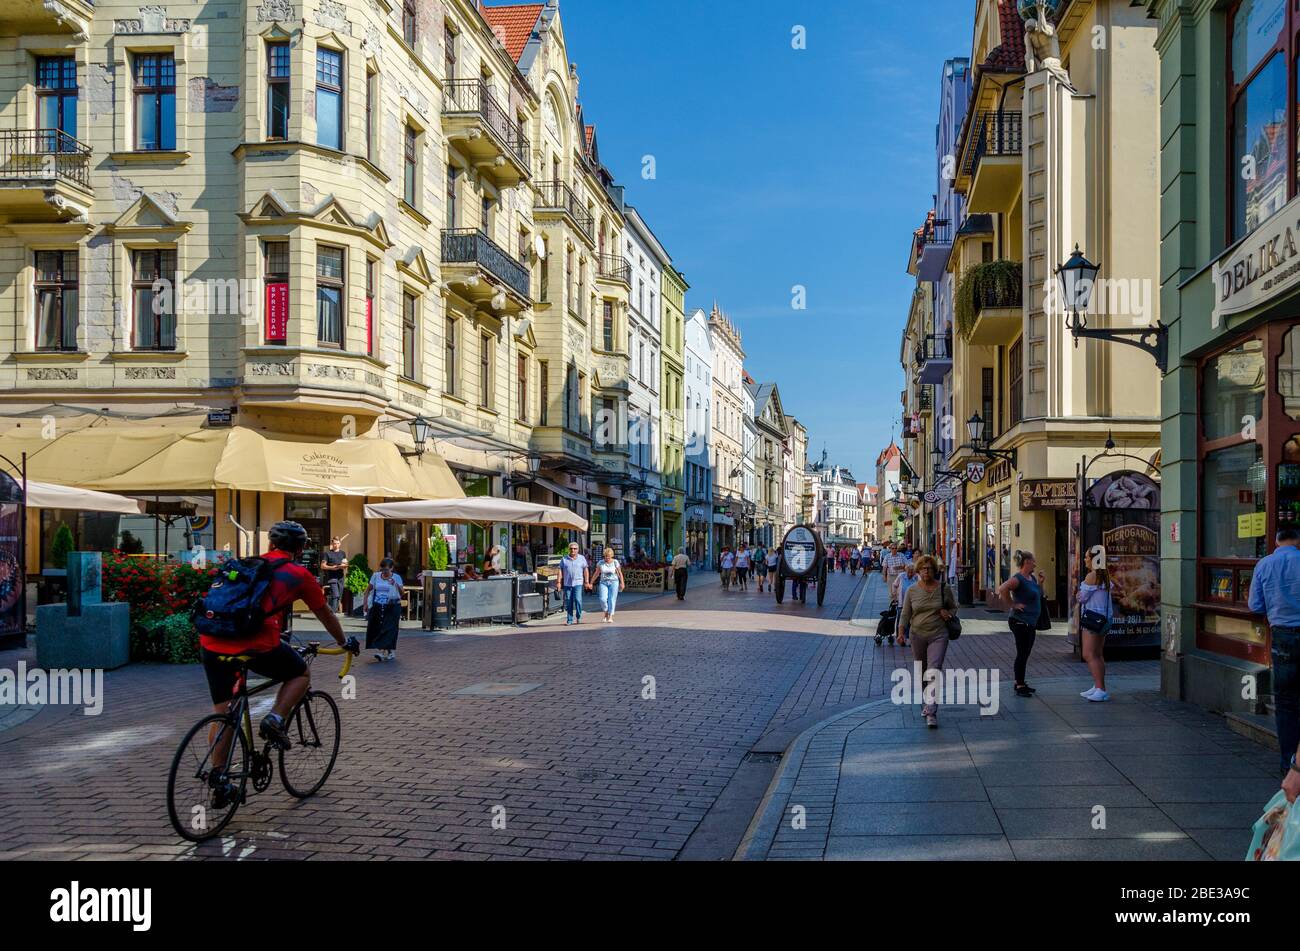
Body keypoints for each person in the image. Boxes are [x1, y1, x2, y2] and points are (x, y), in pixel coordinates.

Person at [199, 521, 355, 778]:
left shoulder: (245, 564)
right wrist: (343, 641)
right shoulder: (298, 574)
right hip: (255, 644)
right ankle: (275, 719)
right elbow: (325, 613)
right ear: (301, 548)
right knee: (300, 674)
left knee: (224, 712)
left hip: (212, 641)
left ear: (270, 544)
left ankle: (219, 777)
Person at [1248, 527, 1300, 785]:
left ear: (1277, 540)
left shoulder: (1265, 564)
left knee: (1287, 702)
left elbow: (1255, 606)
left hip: (1283, 637)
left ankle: (1288, 764)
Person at [900, 555, 958, 729]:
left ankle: (931, 711)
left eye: (930, 568)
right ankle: (927, 701)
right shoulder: (911, 591)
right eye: (923, 568)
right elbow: (905, 614)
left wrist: (949, 614)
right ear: (918, 571)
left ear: (935, 570)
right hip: (917, 634)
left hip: (939, 635)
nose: (926, 571)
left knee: (934, 669)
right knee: (922, 671)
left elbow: (953, 607)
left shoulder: (943, 588)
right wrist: (901, 632)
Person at [996, 550, 1046, 698]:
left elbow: (1040, 594)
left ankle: (1021, 681)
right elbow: (1002, 588)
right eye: (1033, 561)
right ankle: (1019, 684)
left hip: (1030, 622)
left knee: (1026, 652)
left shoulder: (1032, 578)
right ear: (1026, 562)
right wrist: (1013, 604)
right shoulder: (1018, 579)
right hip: (1020, 622)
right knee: (1022, 652)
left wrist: (1041, 583)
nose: (1035, 564)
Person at [1077, 565, 1115, 702]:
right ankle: (1098, 686)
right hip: (1104, 618)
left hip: (1092, 619)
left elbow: (1082, 598)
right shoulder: (1104, 574)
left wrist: (1078, 594)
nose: (1085, 559)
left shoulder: (1091, 575)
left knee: (1088, 654)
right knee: (1098, 654)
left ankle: (1100, 688)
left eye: (1087, 556)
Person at [364, 557, 405, 662]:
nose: (384, 572)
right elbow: (368, 590)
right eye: (382, 569)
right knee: (379, 628)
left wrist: (395, 584)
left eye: (386, 570)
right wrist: (365, 604)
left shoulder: (397, 577)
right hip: (378, 605)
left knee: (389, 628)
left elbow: (402, 594)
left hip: (392, 606)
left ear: (392, 568)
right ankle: (390, 652)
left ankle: (381, 652)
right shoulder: (376, 576)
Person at [555, 541, 591, 625]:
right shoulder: (564, 559)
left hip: (578, 583)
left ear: (578, 550)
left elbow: (586, 570)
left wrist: (586, 581)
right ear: (569, 549)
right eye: (571, 549)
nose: (573, 550)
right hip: (567, 583)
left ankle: (578, 616)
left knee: (578, 600)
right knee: (568, 601)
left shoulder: (582, 558)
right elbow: (560, 570)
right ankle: (569, 620)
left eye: (575, 549)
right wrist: (559, 582)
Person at [893, 561, 919, 647]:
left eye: (912, 571)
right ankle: (900, 638)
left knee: (911, 622)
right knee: (901, 621)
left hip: (912, 604)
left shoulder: (916, 577)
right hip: (901, 602)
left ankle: (909, 639)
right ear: (906, 570)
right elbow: (894, 585)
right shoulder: (901, 576)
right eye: (909, 571)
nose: (910, 573)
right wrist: (894, 595)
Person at [596, 547, 626, 622]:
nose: (607, 558)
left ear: (612, 556)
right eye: (606, 557)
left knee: (612, 599)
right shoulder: (601, 563)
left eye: (609, 557)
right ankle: (606, 612)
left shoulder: (615, 562)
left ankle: (610, 616)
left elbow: (619, 573)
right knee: (603, 599)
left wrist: (622, 583)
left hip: (614, 582)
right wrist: (590, 582)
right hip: (603, 582)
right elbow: (597, 573)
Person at [319, 536, 349, 613]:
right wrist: (332, 567)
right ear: (332, 544)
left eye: (338, 543)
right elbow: (322, 566)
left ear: (340, 544)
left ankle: (330, 611)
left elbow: (345, 563)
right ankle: (332, 613)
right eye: (335, 543)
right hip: (332, 577)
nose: (336, 545)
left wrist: (344, 566)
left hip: (340, 577)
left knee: (339, 596)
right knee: (335, 595)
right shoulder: (327, 553)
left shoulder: (343, 553)